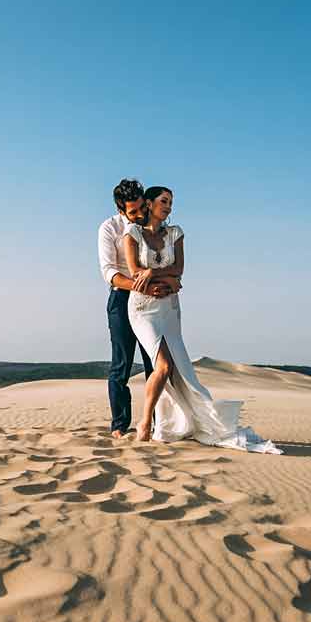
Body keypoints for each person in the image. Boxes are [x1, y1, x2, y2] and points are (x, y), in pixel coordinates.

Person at [122, 186, 282, 454]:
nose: (169, 206)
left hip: (170, 309)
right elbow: (135, 272)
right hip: (142, 308)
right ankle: (145, 422)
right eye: (164, 201)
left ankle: (173, 421)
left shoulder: (176, 233)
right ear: (149, 203)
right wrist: (161, 277)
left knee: (181, 370)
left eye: (171, 202)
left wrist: (156, 275)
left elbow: (179, 270)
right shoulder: (133, 233)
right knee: (162, 365)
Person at [97, 179, 183, 438]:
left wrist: (166, 283)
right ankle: (120, 425)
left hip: (156, 301)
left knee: (154, 364)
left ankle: (158, 423)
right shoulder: (109, 228)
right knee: (121, 364)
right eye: (132, 211)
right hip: (123, 297)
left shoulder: (155, 227)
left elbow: (170, 263)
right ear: (120, 209)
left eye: (140, 209)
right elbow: (109, 272)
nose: (137, 215)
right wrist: (143, 287)